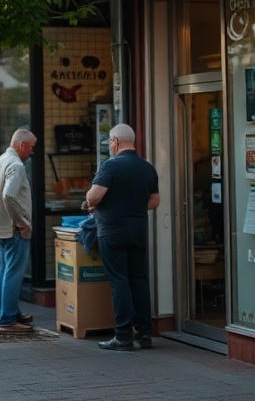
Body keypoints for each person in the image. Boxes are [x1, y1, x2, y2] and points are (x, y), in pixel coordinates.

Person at [84, 123, 160, 351]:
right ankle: (145, 334)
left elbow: (94, 196)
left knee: (119, 281)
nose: (109, 145)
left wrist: (89, 202)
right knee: (139, 279)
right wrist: (133, 207)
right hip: (138, 229)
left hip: (112, 231)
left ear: (115, 141)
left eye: (110, 141)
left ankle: (123, 336)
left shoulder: (109, 166)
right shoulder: (147, 167)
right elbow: (155, 200)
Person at [0, 128, 37, 332]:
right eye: (31, 147)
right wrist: (21, 222)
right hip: (13, 229)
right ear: (22, 145)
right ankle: (7, 320)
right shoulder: (16, 165)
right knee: (13, 273)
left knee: (5, 271)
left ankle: (7, 311)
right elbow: (8, 196)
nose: (32, 152)